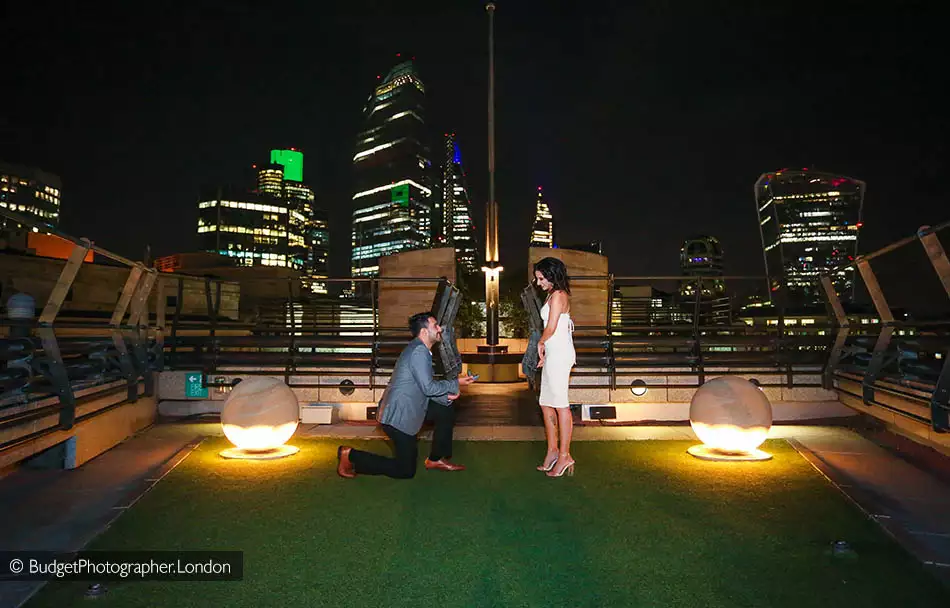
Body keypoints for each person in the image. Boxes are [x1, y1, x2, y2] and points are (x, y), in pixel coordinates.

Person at [337, 312, 475, 479]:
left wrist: (444, 397)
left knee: (444, 409)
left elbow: (421, 387)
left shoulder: (420, 349)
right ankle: (350, 455)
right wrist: (455, 383)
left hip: (411, 406)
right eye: (435, 326)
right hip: (398, 417)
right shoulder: (419, 351)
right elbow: (429, 387)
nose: (439, 329)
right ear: (424, 332)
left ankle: (436, 459)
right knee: (405, 471)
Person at [533, 257, 576, 477]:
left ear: (552, 275)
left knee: (561, 405)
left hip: (560, 355)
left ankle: (565, 455)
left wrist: (541, 343)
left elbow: (550, 328)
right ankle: (552, 451)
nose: (538, 282)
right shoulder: (552, 295)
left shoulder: (559, 295)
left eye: (541, 278)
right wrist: (545, 353)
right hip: (553, 354)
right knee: (546, 403)